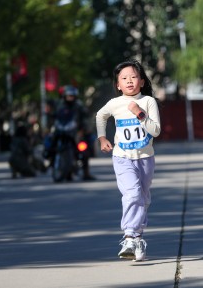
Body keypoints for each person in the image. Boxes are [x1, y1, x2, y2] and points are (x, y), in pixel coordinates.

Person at [96, 59, 161, 261]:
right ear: (118, 84)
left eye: (134, 77)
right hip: (122, 158)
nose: (129, 81)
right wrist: (102, 137)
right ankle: (129, 236)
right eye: (124, 78)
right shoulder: (114, 104)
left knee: (143, 199)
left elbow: (156, 131)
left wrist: (139, 114)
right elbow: (100, 116)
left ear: (142, 81)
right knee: (132, 195)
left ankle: (138, 238)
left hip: (145, 159)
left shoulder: (148, 102)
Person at [47, 85, 95, 180]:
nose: (70, 98)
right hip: (61, 129)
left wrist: (84, 128)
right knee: (50, 142)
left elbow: (85, 116)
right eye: (68, 96)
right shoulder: (59, 105)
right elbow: (54, 115)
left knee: (84, 149)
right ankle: (50, 160)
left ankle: (86, 173)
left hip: (74, 131)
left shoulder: (79, 105)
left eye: (72, 96)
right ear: (64, 96)